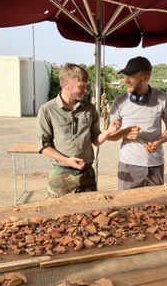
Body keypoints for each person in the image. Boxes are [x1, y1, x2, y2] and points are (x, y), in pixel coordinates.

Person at [36, 63, 121, 198]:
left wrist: (108, 132)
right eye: (82, 86)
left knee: (89, 213)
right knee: (60, 215)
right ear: (66, 85)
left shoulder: (89, 109)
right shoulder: (47, 110)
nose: (85, 90)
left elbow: (95, 140)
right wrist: (66, 160)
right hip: (61, 174)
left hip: (87, 173)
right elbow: (44, 147)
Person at [108, 56, 167, 190]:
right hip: (129, 165)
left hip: (155, 164)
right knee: (126, 207)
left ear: (146, 78)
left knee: (155, 206)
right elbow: (109, 135)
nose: (125, 80)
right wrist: (124, 133)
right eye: (125, 75)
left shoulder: (162, 98)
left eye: (131, 76)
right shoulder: (119, 101)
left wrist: (159, 142)